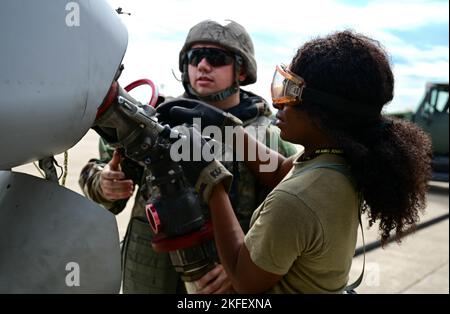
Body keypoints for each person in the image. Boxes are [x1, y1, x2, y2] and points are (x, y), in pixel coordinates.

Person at [156, 30, 432, 293]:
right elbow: (277, 170)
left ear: (325, 112)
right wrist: (229, 127)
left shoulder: (296, 199)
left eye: (291, 93)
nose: (279, 104)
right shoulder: (333, 159)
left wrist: (212, 179)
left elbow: (243, 280)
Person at [79, 19, 296, 294]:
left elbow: (288, 219)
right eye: (195, 57)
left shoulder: (270, 138)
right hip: (150, 279)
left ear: (241, 72)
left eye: (216, 58)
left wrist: (247, 268)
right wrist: (105, 184)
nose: (203, 66)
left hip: (224, 287)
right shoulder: (154, 120)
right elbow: (98, 176)